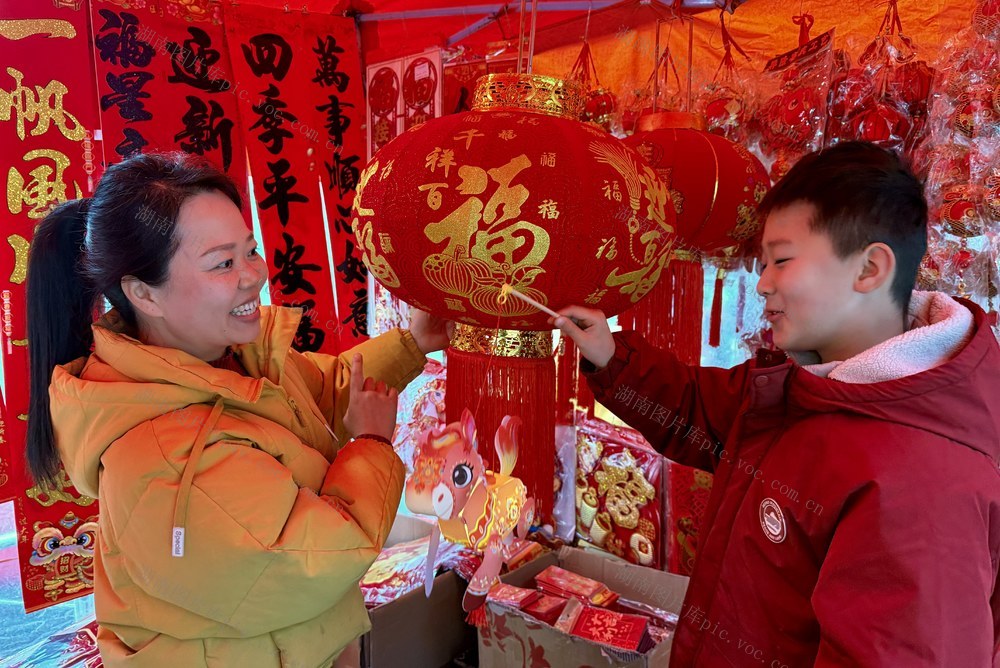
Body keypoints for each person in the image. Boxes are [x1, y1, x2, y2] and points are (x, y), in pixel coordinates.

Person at [553, 142, 1000, 666]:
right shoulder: (802, 385)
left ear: (869, 269)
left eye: (781, 261)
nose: (762, 284)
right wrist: (611, 356)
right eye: (763, 262)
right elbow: (699, 411)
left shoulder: (922, 479)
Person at [25, 152, 452, 667]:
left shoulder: (229, 355)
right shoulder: (164, 453)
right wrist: (371, 447)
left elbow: (320, 391)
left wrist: (415, 342)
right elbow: (310, 558)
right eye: (223, 263)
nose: (254, 275)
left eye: (250, 251)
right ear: (144, 293)